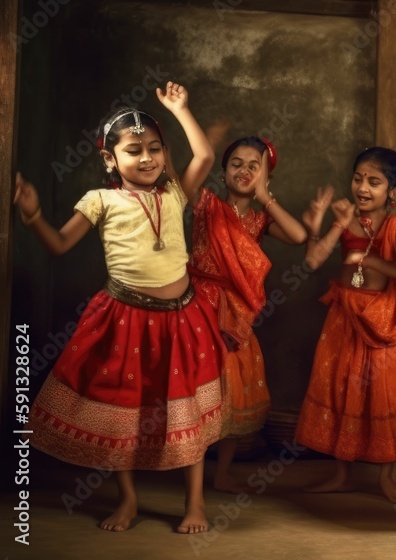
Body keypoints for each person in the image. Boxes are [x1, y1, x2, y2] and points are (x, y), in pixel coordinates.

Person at [16, 82, 221, 533]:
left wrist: (181, 110)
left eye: (154, 149)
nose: (146, 158)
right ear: (110, 160)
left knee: (184, 409)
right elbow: (59, 244)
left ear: (165, 154)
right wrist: (33, 216)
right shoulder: (100, 200)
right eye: (133, 150)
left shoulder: (175, 193)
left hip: (182, 319)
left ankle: (195, 503)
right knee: (120, 412)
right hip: (124, 318)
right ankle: (127, 500)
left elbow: (204, 157)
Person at [295, 147, 396, 504]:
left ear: (393, 190)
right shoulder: (347, 219)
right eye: (358, 179)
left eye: (374, 181)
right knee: (343, 389)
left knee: (386, 394)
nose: (363, 188)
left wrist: (369, 260)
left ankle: (388, 477)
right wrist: (323, 222)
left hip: (385, 320)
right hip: (346, 318)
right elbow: (312, 260)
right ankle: (342, 475)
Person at [188, 136, 307, 492]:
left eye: (254, 166)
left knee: (233, 392)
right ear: (223, 173)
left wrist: (266, 197)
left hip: (237, 317)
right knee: (196, 391)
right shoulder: (205, 204)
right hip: (199, 309)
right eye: (236, 164)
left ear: (265, 175)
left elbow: (298, 234)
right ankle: (188, 473)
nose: (244, 171)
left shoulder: (258, 221)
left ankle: (222, 472)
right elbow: (188, 180)